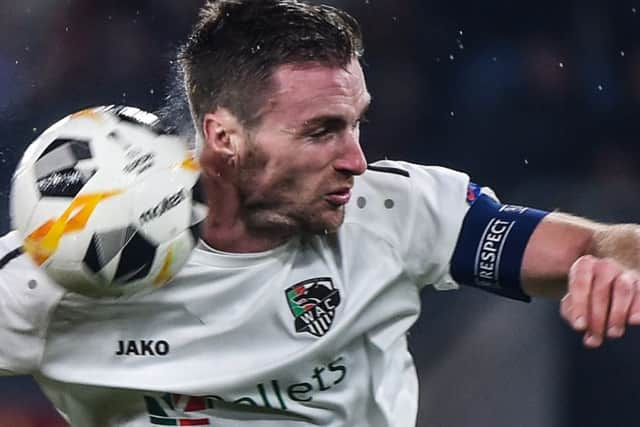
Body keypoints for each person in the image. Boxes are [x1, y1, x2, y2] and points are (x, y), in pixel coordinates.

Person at [1, 0, 640, 426]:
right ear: (224, 136)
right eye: (320, 132)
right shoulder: (69, 268)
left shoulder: (396, 211)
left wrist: (612, 264)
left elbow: (607, 242)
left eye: (356, 124)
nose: (357, 159)